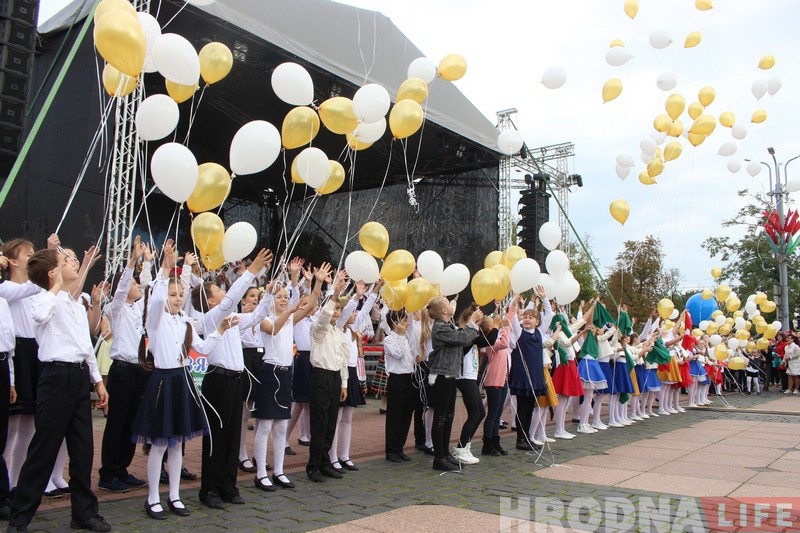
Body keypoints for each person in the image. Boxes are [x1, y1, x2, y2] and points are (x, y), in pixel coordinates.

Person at [7, 247, 110, 533]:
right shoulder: (42, 299)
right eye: (65, 261)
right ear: (53, 273)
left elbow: (84, 346)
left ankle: (83, 513)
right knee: (44, 450)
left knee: (83, 449)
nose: (71, 263)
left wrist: (97, 381)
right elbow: (39, 315)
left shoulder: (74, 304)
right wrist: (54, 288)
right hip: (55, 378)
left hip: (77, 379)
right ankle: (20, 518)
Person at [132, 240, 232, 520]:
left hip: (183, 381)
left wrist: (220, 330)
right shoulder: (156, 319)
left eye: (180, 294)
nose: (177, 299)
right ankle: (153, 498)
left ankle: (174, 495)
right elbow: (156, 299)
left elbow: (201, 348)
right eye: (173, 294)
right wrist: (166, 268)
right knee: (161, 442)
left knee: (177, 444)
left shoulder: (186, 321)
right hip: (163, 382)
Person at [193, 248, 273, 509]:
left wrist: (268, 293)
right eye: (217, 291)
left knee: (231, 436)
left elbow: (258, 316)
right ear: (211, 301)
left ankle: (229, 486)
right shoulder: (210, 318)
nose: (223, 293)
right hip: (217, 381)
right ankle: (210, 490)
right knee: (216, 436)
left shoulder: (232, 318)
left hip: (235, 381)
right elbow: (231, 300)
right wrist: (251, 272)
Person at [98, 236, 149, 493]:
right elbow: (120, 291)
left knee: (132, 422)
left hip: (137, 370)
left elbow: (150, 286)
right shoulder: (115, 308)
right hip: (121, 371)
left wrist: (147, 263)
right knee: (117, 422)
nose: (138, 286)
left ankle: (122, 469)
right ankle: (108, 473)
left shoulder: (136, 309)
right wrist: (132, 262)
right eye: (134, 283)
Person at [423, 295, 481, 471]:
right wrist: (471, 323)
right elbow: (462, 338)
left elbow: (462, 337)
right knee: (441, 417)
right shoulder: (440, 328)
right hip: (441, 376)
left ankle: (445, 454)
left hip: (450, 375)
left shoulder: (448, 325)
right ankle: (438, 458)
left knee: (448, 416)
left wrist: (472, 322)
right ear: (443, 310)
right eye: (449, 304)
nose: (452, 305)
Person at [306, 267, 350, 482]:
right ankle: (313, 465)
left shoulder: (339, 333)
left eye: (338, 310)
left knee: (331, 421)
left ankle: (325, 462)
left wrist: (344, 384)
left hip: (334, 378)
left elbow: (342, 360)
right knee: (320, 422)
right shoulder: (318, 328)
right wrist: (333, 295)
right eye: (333, 309)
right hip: (321, 377)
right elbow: (323, 318)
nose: (335, 313)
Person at [383, 310, 417, 462]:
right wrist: (402, 336)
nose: (407, 323)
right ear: (396, 323)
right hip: (396, 378)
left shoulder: (406, 338)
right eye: (404, 321)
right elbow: (398, 354)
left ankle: (400, 447)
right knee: (394, 415)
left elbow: (408, 358)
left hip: (408, 377)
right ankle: (391, 450)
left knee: (406, 414)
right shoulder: (389, 339)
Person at [481, 307, 512, 456]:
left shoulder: (496, 337)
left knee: (498, 412)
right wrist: (505, 326)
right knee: (493, 413)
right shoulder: (489, 340)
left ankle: (495, 441)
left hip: (503, 378)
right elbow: (505, 343)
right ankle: (487, 444)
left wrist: (512, 308)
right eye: (492, 322)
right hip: (494, 380)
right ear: (489, 327)